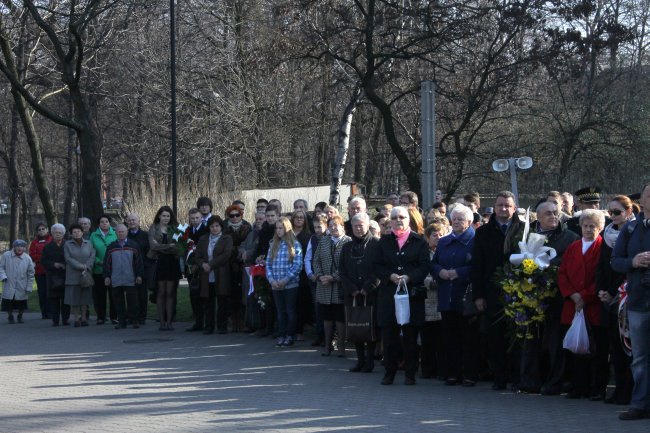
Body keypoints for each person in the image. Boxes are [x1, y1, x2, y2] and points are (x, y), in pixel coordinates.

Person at [523, 201, 579, 395]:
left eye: (556, 213)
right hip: (532, 297)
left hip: (558, 298)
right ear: (538, 217)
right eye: (548, 213)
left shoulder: (570, 237)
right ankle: (531, 380)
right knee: (532, 339)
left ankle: (556, 382)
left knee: (556, 341)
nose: (554, 216)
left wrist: (550, 267)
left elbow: (571, 265)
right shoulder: (530, 236)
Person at [471, 190, 525, 390]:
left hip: (520, 291)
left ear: (514, 208)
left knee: (518, 335)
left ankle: (518, 377)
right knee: (495, 337)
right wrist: (478, 295)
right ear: (494, 207)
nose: (503, 209)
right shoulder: (483, 232)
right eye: (500, 205)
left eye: (507, 206)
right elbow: (477, 266)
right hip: (492, 291)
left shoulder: (524, 229)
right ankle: (500, 376)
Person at [374, 206, 429, 385]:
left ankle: (410, 374)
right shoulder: (383, 242)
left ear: (409, 220)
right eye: (395, 217)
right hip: (389, 295)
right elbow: (376, 266)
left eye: (402, 217)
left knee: (411, 337)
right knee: (389, 337)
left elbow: (424, 266)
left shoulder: (419, 241)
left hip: (411, 296)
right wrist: (390, 276)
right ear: (390, 221)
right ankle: (389, 373)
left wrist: (409, 277)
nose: (399, 220)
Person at [558, 209, 608, 401]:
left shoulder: (603, 247)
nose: (588, 229)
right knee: (575, 349)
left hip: (592, 306)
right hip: (572, 305)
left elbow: (601, 277)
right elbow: (562, 273)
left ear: (600, 228)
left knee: (596, 349)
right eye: (585, 226)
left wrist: (585, 297)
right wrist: (572, 295)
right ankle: (578, 387)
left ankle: (597, 388)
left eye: (593, 226)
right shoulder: (573, 247)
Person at [611, 183, 650, 420]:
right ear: (642, 201)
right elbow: (616, 261)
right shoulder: (631, 228)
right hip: (638, 301)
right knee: (640, 357)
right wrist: (633, 262)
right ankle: (640, 404)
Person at [431, 204, 478, 386]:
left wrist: (459, 272)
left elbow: (477, 266)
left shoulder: (475, 240)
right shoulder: (443, 241)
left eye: (461, 219)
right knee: (449, 337)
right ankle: (452, 373)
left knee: (468, 338)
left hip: (465, 295)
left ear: (469, 221)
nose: (457, 222)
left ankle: (469, 374)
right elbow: (433, 263)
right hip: (446, 295)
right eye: (455, 218)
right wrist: (439, 271)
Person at [596, 195, 636, 405]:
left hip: (625, 294)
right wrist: (602, 290)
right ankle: (619, 390)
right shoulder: (607, 233)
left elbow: (625, 267)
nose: (613, 216)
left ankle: (630, 391)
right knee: (615, 347)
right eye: (609, 212)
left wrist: (612, 291)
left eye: (617, 212)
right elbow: (602, 264)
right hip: (609, 297)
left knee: (628, 347)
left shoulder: (633, 232)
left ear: (629, 212)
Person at [340, 213, 380, 372]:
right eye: (355, 225)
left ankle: (370, 361)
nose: (358, 228)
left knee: (370, 328)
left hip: (371, 294)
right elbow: (342, 271)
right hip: (353, 295)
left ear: (367, 225)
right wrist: (352, 289)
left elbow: (379, 270)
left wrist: (367, 288)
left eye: (361, 225)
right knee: (356, 327)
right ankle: (360, 360)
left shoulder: (376, 244)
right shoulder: (347, 246)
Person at [314, 215, 352, 356]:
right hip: (324, 285)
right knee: (327, 317)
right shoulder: (324, 241)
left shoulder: (348, 242)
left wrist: (333, 277)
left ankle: (341, 346)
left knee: (340, 317)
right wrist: (319, 275)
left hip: (339, 286)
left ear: (343, 226)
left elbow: (347, 265)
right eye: (330, 225)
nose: (333, 228)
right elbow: (316, 260)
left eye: (336, 225)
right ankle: (327, 345)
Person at [265, 216, 303, 347]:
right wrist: (271, 280)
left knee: (290, 310)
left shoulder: (295, 244)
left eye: (281, 228)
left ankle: (289, 335)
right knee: (280, 311)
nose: (278, 231)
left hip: (290, 285)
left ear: (287, 229)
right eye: (277, 228)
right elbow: (268, 264)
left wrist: (285, 279)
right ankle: (281, 335)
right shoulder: (273, 244)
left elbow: (297, 265)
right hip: (276, 284)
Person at [194, 215, 233, 334]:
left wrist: (211, 264)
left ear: (221, 227)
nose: (215, 228)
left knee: (222, 301)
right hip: (207, 274)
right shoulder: (203, 239)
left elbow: (226, 255)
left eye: (217, 226)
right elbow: (197, 255)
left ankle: (222, 326)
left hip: (221, 273)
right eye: (212, 226)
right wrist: (203, 264)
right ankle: (209, 326)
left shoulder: (227, 238)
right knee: (208, 301)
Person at [103, 224, 144, 329]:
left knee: (133, 301)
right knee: (118, 301)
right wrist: (107, 276)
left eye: (123, 231)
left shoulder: (133, 245)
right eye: (118, 232)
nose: (120, 233)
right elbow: (107, 263)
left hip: (130, 278)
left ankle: (134, 320)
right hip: (116, 278)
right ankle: (121, 321)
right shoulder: (111, 247)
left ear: (127, 232)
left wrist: (139, 275)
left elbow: (139, 262)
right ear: (115, 233)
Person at [148, 206, 181, 331]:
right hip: (159, 263)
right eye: (163, 215)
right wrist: (169, 246)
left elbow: (178, 248)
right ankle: (162, 322)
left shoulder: (176, 229)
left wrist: (161, 246)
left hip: (172, 263)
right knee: (161, 293)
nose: (165, 218)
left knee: (171, 293)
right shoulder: (153, 228)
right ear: (159, 216)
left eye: (168, 216)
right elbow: (153, 246)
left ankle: (170, 322)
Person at [421, 223, 445, 379]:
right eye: (435, 234)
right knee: (427, 339)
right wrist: (430, 282)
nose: (438, 237)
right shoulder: (423, 253)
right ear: (428, 237)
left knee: (443, 340)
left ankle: (443, 369)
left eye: (441, 234)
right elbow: (420, 271)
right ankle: (428, 369)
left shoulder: (447, 251)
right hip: (428, 301)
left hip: (444, 299)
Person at [224, 204, 252, 332]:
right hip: (228, 264)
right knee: (229, 292)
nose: (234, 218)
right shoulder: (224, 227)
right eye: (232, 215)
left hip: (243, 263)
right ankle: (231, 319)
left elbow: (248, 244)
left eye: (237, 215)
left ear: (241, 215)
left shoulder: (247, 227)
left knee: (242, 293)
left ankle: (242, 320)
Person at [64, 224, 95, 327]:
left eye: (78, 231)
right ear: (71, 234)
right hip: (73, 274)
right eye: (74, 232)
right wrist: (80, 266)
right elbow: (68, 258)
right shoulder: (68, 244)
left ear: (82, 232)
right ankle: (76, 318)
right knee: (75, 298)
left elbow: (92, 255)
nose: (76, 233)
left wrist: (87, 266)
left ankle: (84, 318)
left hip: (86, 274)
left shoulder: (89, 243)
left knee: (85, 298)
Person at [89, 214, 118, 325]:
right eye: (102, 222)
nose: (104, 223)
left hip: (113, 269)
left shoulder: (115, 234)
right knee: (100, 295)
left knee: (113, 294)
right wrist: (97, 261)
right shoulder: (93, 235)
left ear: (109, 223)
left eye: (106, 221)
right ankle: (101, 317)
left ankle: (114, 317)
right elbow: (91, 251)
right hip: (99, 269)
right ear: (98, 224)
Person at [126, 213, 154, 325]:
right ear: (127, 222)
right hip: (128, 269)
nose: (132, 222)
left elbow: (150, 251)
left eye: (134, 220)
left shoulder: (145, 235)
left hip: (143, 269)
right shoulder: (125, 235)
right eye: (130, 220)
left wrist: (145, 264)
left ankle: (142, 317)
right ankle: (131, 316)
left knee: (142, 294)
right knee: (130, 294)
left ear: (139, 222)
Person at [184, 208, 209, 331]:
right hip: (190, 268)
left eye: (197, 218)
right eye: (192, 218)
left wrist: (198, 264)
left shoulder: (206, 230)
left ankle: (206, 321)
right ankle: (198, 321)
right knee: (193, 295)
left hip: (202, 266)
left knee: (203, 294)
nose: (194, 220)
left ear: (201, 218)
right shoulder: (186, 231)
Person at [305, 214, 327, 346]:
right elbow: (308, 258)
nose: (317, 230)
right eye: (315, 227)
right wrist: (309, 273)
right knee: (318, 307)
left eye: (320, 227)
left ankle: (330, 337)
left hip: (327, 278)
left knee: (328, 308)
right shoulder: (312, 238)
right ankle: (320, 335)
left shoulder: (329, 238)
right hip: (315, 279)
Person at [41, 224, 70, 326]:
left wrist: (65, 265)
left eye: (60, 233)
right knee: (54, 299)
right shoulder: (47, 247)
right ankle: (55, 320)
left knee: (66, 299)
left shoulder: (68, 244)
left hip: (66, 275)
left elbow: (72, 258)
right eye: (55, 233)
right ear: (52, 234)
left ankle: (66, 319)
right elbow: (43, 261)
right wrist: (54, 264)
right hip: (52, 276)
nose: (58, 235)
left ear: (63, 233)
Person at [0, 240, 35, 324]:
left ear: (24, 248)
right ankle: (10, 316)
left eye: (22, 246)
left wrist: (29, 286)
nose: (19, 248)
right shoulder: (6, 255)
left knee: (21, 301)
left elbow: (31, 273)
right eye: (17, 246)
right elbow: (1, 267)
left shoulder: (27, 258)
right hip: (9, 282)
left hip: (22, 283)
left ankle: (20, 316)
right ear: (14, 247)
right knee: (9, 301)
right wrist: (3, 276)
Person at [291, 210, 312, 341]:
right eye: (296, 217)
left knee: (300, 303)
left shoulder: (308, 235)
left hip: (302, 273)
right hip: (287, 271)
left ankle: (299, 331)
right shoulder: (288, 234)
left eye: (301, 218)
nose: (299, 220)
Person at [29, 222, 52, 319]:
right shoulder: (34, 242)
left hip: (50, 271)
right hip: (39, 271)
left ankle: (51, 312)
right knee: (42, 292)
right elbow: (32, 255)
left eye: (43, 229)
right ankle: (44, 312)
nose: (41, 231)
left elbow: (53, 253)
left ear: (47, 229)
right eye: (39, 229)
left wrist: (44, 258)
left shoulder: (51, 240)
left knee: (50, 291)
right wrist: (43, 258)